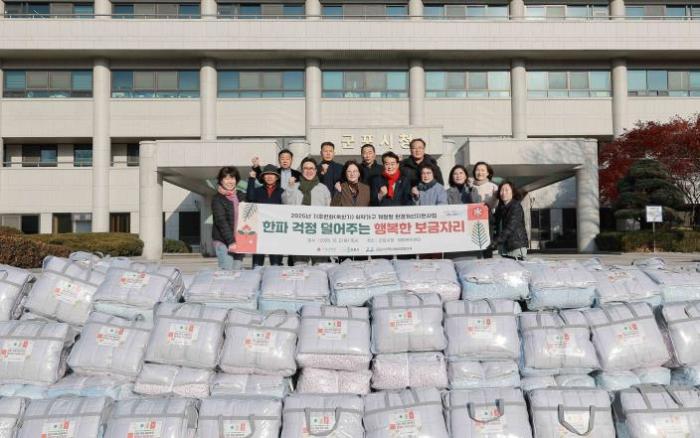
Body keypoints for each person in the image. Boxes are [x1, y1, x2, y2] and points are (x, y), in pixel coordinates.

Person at [283, 157, 332, 265]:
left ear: (315, 170)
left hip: (319, 233)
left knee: (320, 266)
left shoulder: (323, 188)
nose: (309, 171)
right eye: (306, 168)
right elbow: (286, 204)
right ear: (301, 170)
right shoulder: (294, 186)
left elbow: (329, 210)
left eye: (311, 168)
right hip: (299, 233)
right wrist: (290, 188)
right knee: (300, 266)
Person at [246, 164, 285, 267]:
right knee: (257, 265)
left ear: (277, 177)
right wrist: (251, 180)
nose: (269, 176)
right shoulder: (257, 191)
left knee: (276, 264)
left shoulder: (282, 192)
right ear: (263, 177)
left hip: (276, 232)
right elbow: (249, 199)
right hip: (259, 232)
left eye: (272, 174)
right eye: (266, 174)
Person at [212, 167, 245, 270]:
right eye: (226, 178)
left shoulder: (241, 195)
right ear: (221, 180)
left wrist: (252, 178)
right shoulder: (217, 199)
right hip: (224, 242)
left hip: (240, 240)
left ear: (236, 180)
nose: (229, 181)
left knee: (237, 273)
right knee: (227, 273)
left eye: (232, 178)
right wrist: (231, 241)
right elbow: (221, 221)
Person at [491, 181, 528, 260]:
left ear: (513, 192)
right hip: (504, 247)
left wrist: (496, 241)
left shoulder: (516, 206)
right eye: (501, 190)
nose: (503, 193)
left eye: (506, 190)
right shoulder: (501, 207)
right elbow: (493, 222)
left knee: (516, 268)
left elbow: (510, 227)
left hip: (516, 246)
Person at [470, 161, 500, 259]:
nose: (480, 173)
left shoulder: (494, 187)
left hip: (487, 220)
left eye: (483, 170)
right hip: (471, 220)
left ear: (488, 173)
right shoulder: (470, 187)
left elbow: (495, 206)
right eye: (477, 170)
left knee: (487, 247)